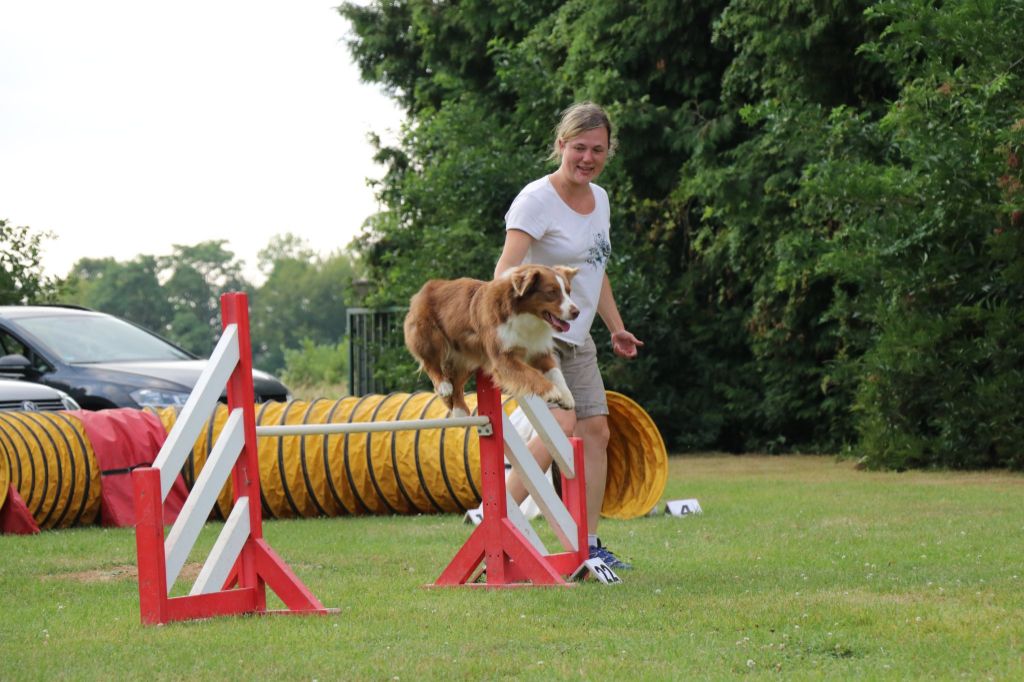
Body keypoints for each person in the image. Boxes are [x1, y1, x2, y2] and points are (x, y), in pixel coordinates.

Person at [493, 102, 643, 571]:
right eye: (579, 147)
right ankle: (495, 512)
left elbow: (596, 271)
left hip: (577, 336)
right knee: (563, 427)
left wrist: (616, 327)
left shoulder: (600, 200)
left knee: (596, 431)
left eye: (598, 149)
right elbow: (505, 273)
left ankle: (589, 543)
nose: (588, 157)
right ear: (561, 144)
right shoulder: (535, 200)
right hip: (536, 337)